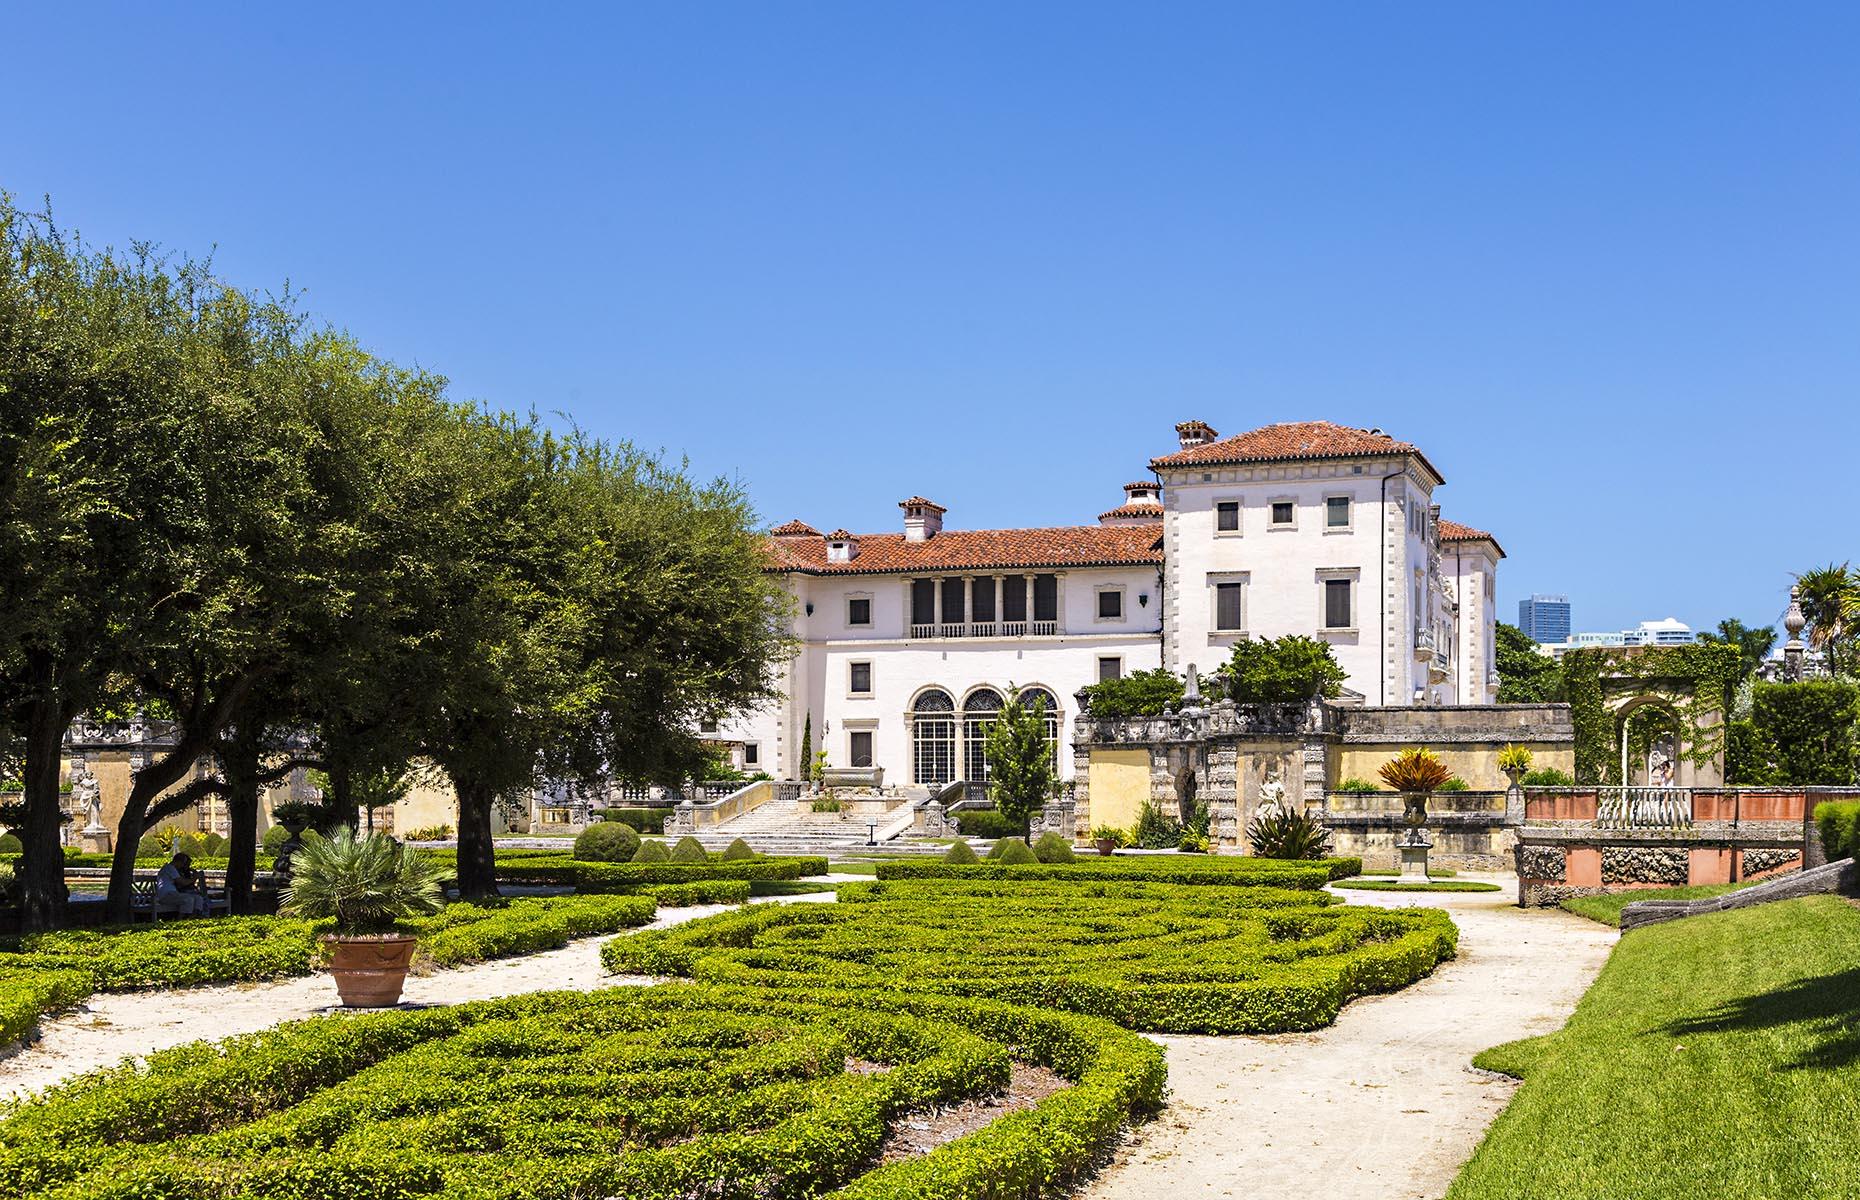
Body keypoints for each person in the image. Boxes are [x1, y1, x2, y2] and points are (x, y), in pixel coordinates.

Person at [155, 853, 213, 917]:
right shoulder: (169, 868)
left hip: (173, 894)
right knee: (188, 899)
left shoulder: (172, 868)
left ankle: (194, 918)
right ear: (179, 861)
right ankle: (181, 920)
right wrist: (194, 878)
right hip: (166, 895)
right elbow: (182, 882)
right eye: (183, 863)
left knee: (198, 898)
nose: (183, 865)